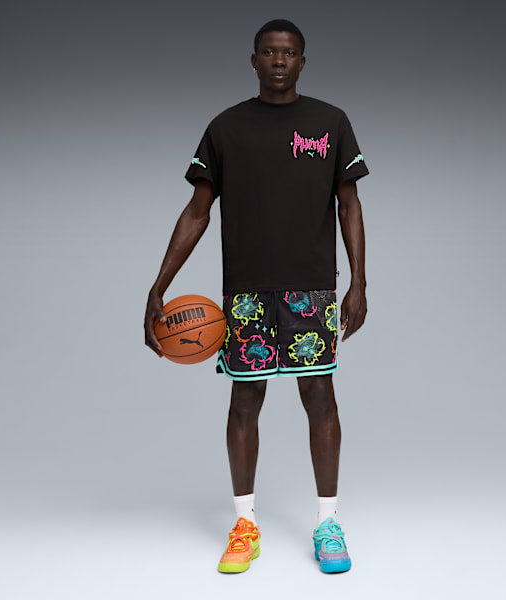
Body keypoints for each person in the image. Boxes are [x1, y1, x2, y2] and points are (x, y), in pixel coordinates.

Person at [144, 18, 369, 574]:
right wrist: (159, 284)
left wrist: (359, 281)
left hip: (311, 289)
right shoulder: (225, 128)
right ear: (253, 60)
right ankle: (245, 525)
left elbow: (349, 204)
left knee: (321, 399)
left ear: (302, 61)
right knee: (245, 402)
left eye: (288, 53)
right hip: (245, 293)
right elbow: (198, 211)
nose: (278, 60)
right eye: (268, 52)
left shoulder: (330, 122)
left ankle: (328, 523)